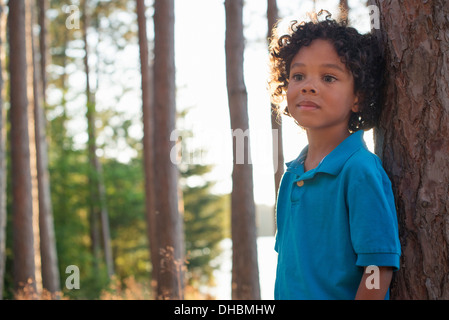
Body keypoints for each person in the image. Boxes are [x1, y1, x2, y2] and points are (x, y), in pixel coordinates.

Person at [268, 12, 401, 300]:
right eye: (298, 75)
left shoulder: (360, 171)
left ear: (358, 97)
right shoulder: (292, 175)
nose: (308, 86)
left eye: (328, 77)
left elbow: (378, 268)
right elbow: (289, 265)